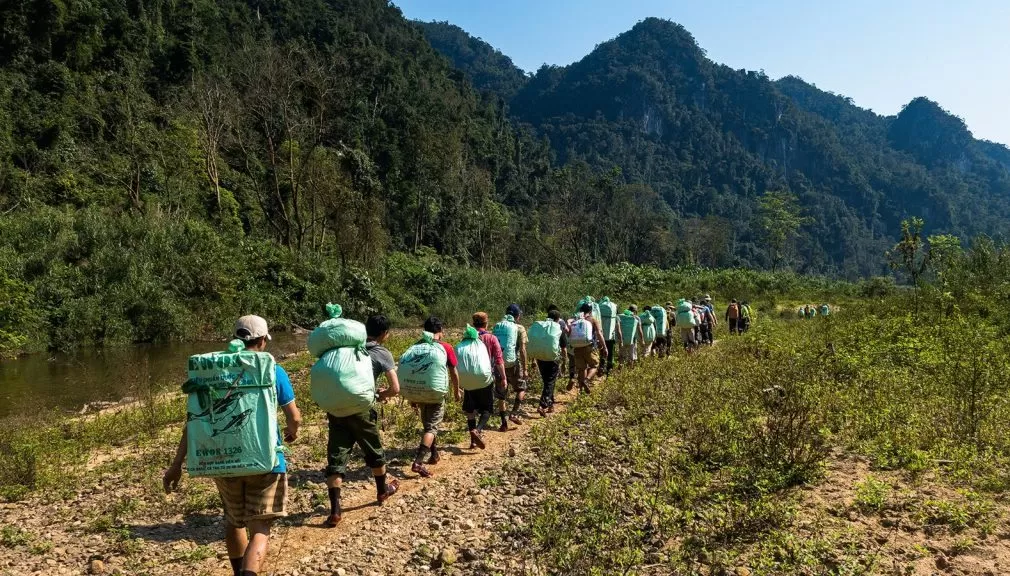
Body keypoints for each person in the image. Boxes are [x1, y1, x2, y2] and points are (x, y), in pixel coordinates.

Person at [163, 315, 302, 576]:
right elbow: (294, 417)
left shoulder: (214, 371)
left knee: (234, 521)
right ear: (262, 341)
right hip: (266, 461)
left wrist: (176, 465)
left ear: (235, 338)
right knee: (260, 528)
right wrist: (292, 432)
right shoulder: (272, 369)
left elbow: (194, 422)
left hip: (224, 461)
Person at [319, 315, 401, 528]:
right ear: (384, 334)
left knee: (337, 458)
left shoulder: (344, 350)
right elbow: (395, 388)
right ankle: (382, 491)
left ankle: (335, 511)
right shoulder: (381, 352)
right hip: (363, 410)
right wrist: (380, 395)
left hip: (336, 409)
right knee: (374, 451)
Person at [411, 316, 461, 478]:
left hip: (419, 391)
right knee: (431, 428)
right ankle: (418, 462)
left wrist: (412, 395)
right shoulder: (445, 347)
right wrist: (456, 391)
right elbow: (453, 372)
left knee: (428, 424)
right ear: (440, 330)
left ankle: (434, 454)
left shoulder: (417, 346)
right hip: (435, 393)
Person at [466, 312, 506, 449]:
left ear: (473, 324)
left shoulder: (467, 338)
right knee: (487, 408)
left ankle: (472, 441)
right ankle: (477, 430)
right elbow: (499, 360)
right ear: (486, 323)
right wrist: (503, 377)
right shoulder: (491, 338)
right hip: (485, 378)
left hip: (468, 378)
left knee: (470, 410)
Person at [495, 304, 529, 429]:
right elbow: (523, 350)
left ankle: (503, 424)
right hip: (513, 363)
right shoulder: (519, 328)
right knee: (521, 388)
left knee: (501, 394)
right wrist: (525, 369)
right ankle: (514, 413)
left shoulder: (498, 326)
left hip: (499, 364)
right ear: (517, 316)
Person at [533, 308, 568, 417]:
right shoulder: (558, 328)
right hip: (553, 359)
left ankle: (550, 404)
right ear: (558, 319)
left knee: (547, 381)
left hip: (540, 357)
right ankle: (542, 405)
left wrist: (533, 359)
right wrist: (564, 362)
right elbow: (564, 348)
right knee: (550, 382)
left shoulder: (541, 327)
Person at [570, 302, 608, 393]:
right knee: (594, 366)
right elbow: (599, 334)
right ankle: (586, 380)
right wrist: (604, 347)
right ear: (590, 311)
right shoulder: (592, 319)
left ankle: (581, 391)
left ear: (580, 310)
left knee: (581, 369)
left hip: (577, 348)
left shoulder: (576, 320)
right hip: (590, 347)